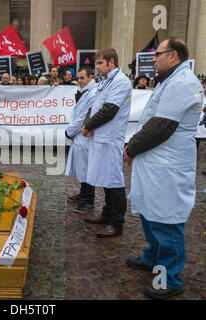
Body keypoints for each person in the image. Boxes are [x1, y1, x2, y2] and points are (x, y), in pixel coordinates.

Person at [124, 38, 204, 300]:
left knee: (166, 220)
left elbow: (161, 126)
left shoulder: (183, 82)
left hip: (167, 166)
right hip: (155, 164)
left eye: (157, 54)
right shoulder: (170, 80)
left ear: (174, 55)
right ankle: (153, 257)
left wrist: (131, 147)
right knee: (150, 213)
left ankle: (170, 278)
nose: (153, 59)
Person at [81, 48, 132, 238]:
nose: (98, 67)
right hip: (100, 136)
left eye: (101, 63)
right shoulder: (104, 81)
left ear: (112, 62)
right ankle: (106, 214)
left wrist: (88, 126)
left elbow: (110, 109)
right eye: (97, 63)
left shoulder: (120, 81)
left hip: (110, 138)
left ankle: (116, 222)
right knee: (104, 177)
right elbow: (95, 106)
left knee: (114, 180)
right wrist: (88, 123)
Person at [65, 67, 97, 213]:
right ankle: (84, 194)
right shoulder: (86, 92)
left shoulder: (93, 93)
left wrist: (69, 131)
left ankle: (89, 200)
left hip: (84, 135)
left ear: (91, 77)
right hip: (80, 135)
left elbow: (83, 117)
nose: (79, 81)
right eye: (78, 78)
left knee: (87, 168)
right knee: (82, 166)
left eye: (82, 78)